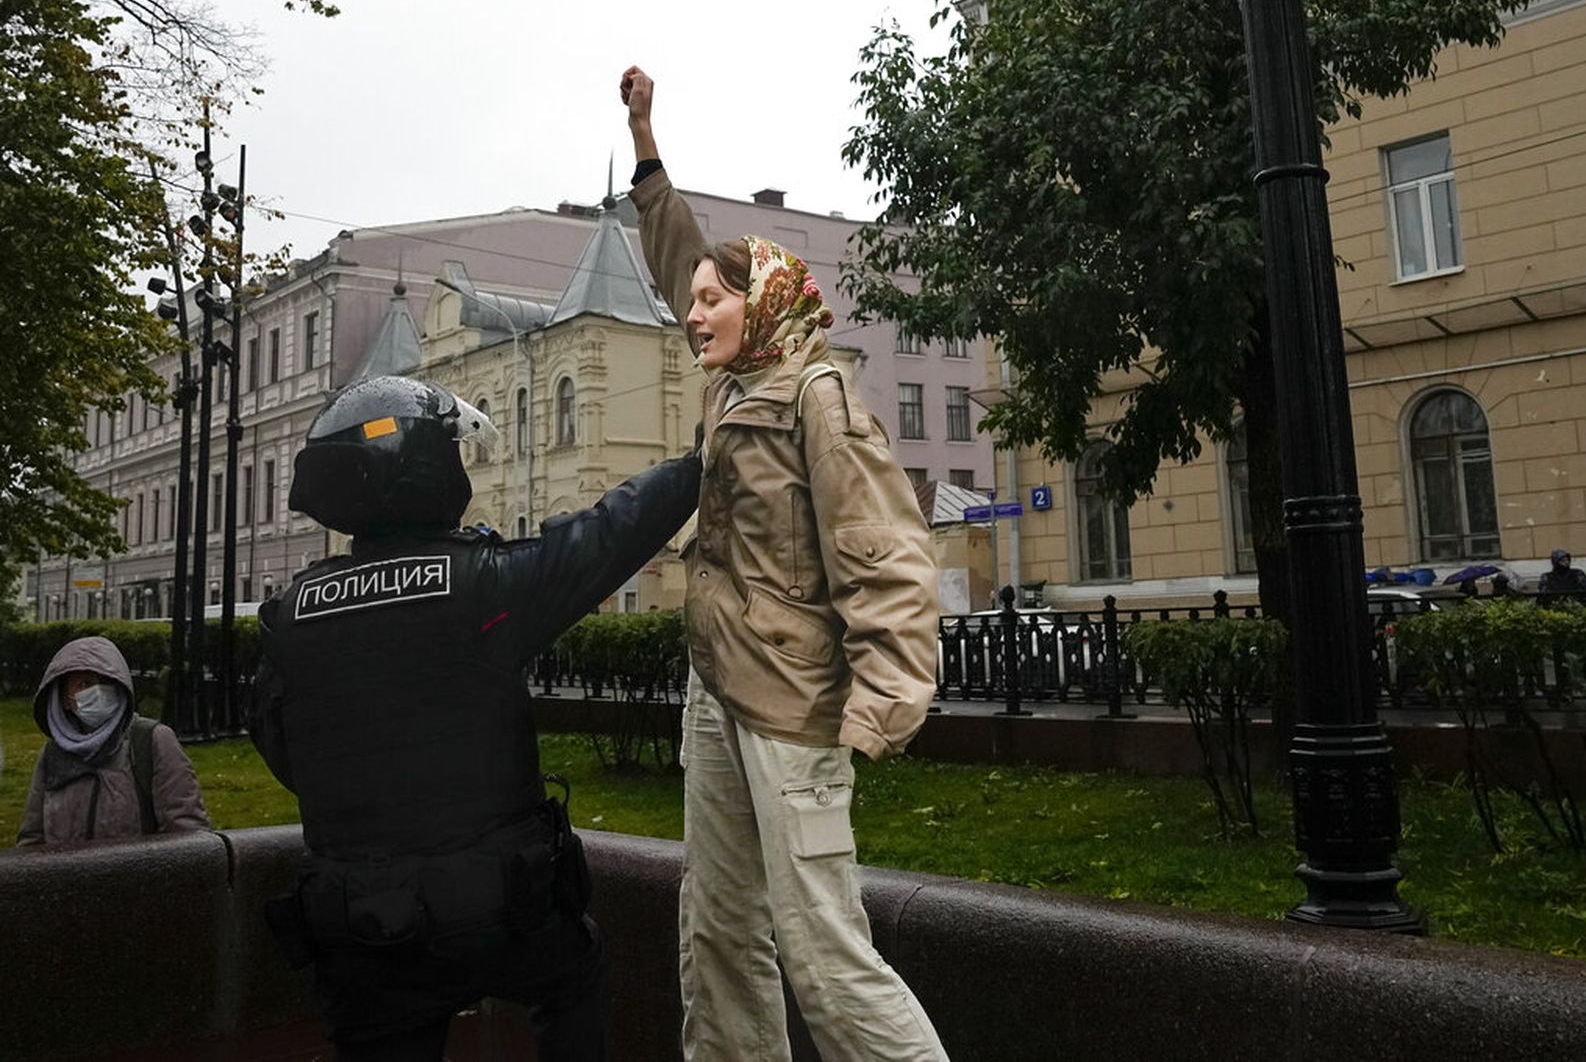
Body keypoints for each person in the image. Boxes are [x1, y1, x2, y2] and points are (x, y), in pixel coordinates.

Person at [621, 67, 949, 1061]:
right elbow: (680, 251)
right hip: (714, 690)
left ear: (761, 301)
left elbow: (888, 551)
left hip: (794, 701)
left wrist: (885, 698)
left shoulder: (815, 393)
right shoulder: (733, 384)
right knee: (718, 932)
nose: (694, 312)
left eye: (715, 300)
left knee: (821, 948)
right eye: (692, 302)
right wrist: (644, 139)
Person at [249, 375, 700, 1061]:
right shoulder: (479, 584)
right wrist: (698, 466)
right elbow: (608, 534)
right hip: (499, 908)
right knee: (569, 978)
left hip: (363, 923)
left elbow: (281, 744)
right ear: (425, 465)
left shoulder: (292, 614)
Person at [17, 635, 210, 846]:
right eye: (85, 683)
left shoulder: (151, 741)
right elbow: (32, 840)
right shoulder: (53, 753)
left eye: (106, 681)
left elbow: (188, 836)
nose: (98, 691)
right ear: (64, 699)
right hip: (67, 878)